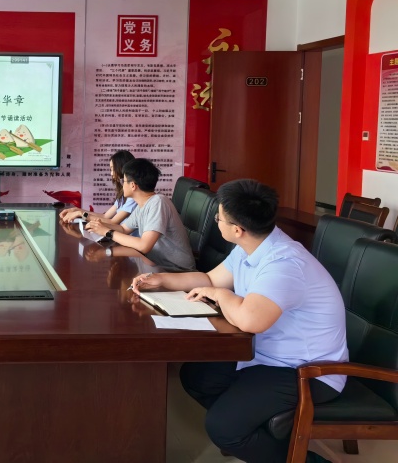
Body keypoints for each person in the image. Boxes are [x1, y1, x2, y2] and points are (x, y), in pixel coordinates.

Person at [130, 179, 347, 463]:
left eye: (219, 218)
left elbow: (249, 321)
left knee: (223, 428)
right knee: (197, 378)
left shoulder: (283, 264)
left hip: (306, 370)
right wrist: (161, 280)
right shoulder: (252, 246)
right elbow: (210, 279)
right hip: (265, 354)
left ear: (237, 229)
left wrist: (221, 295)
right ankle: (258, 433)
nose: (216, 221)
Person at [86, 158, 194, 270]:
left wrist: (107, 232)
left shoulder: (158, 202)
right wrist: (99, 226)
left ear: (133, 185)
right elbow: (123, 229)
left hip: (177, 270)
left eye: (124, 181)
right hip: (157, 265)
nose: (122, 186)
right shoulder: (143, 205)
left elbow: (144, 246)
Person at [60, 149, 136, 224]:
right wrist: (77, 210)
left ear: (121, 168)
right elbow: (105, 216)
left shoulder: (133, 196)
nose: (111, 173)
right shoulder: (123, 194)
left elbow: (113, 222)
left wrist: (80, 214)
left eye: (113, 169)